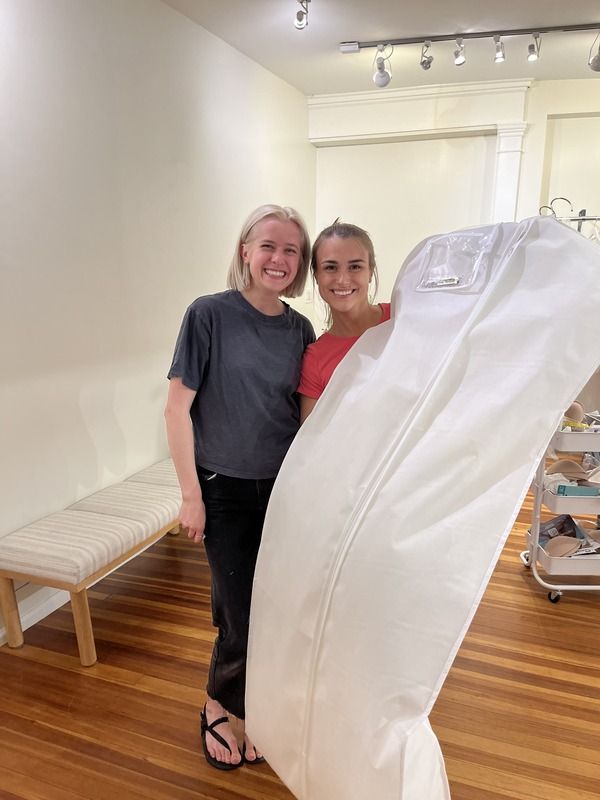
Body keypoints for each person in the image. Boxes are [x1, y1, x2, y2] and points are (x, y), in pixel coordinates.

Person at [164, 205, 315, 770]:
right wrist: (191, 495)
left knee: (272, 608)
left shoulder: (300, 329)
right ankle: (218, 705)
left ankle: (253, 702)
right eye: (268, 246)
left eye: (291, 250)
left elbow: (303, 414)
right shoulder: (208, 315)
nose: (279, 259)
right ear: (245, 251)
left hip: (283, 488)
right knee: (238, 613)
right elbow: (176, 410)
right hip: (222, 488)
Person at [298, 221, 390, 421]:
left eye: (355, 266)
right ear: (316, 276)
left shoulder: (402, 318)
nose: (342, 279)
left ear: (370, 272)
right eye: (330, 267)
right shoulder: (316, 359)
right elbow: (312, 436)